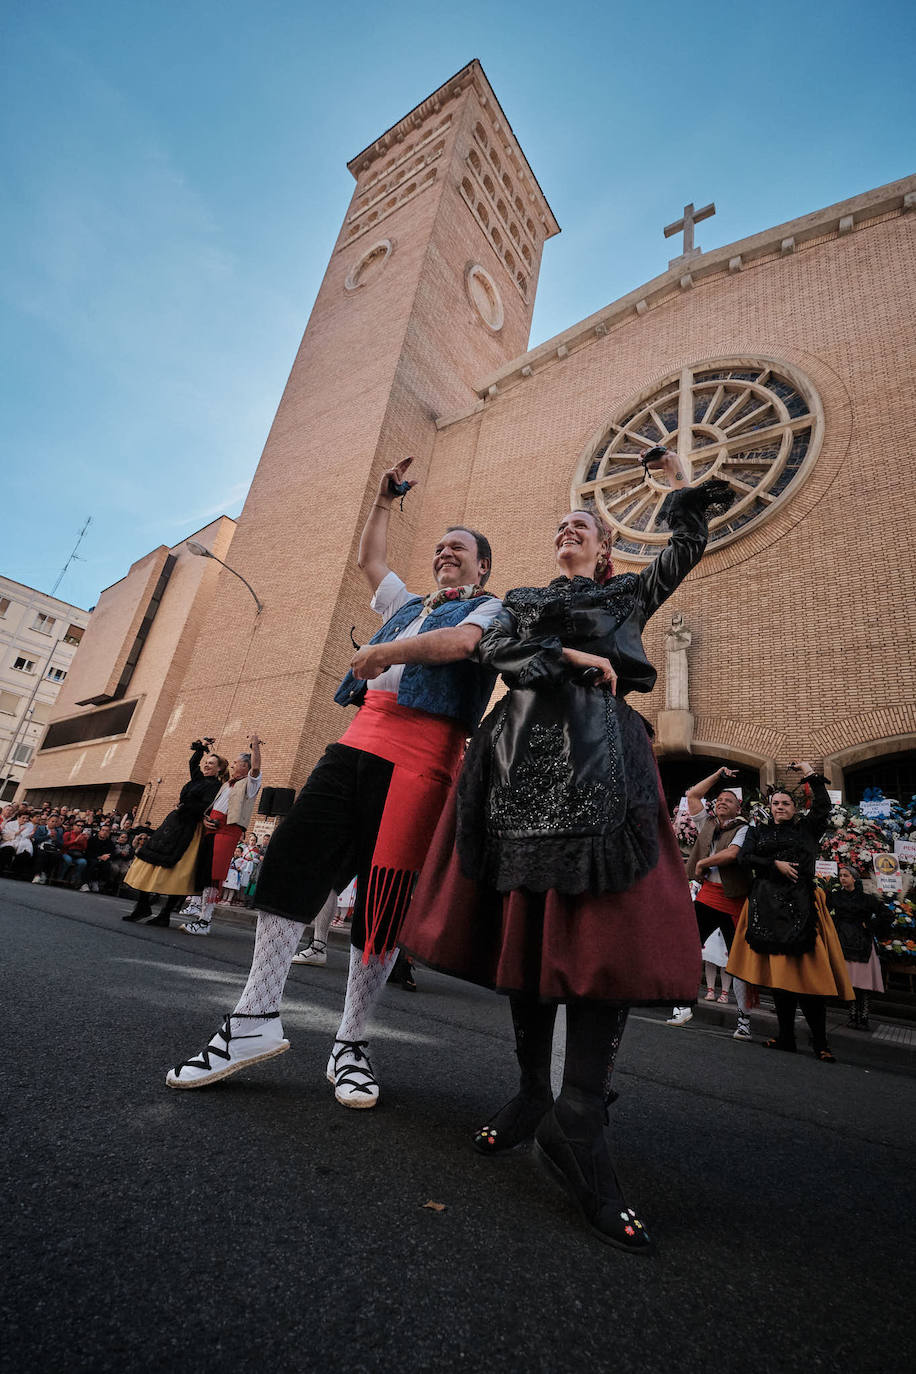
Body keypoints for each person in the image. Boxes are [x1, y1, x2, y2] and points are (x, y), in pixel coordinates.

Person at [401, 451, 733, 1252]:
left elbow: (686, 547)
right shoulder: (521, 598)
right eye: (562, 526)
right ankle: (529, 1092)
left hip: (601, 756)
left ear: (607, 549)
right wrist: (570, 657)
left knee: (605, 929)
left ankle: (578, 1111)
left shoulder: (627, 591)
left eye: (582, 525)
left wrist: (681, 481)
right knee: (531, 923)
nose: (568, 529)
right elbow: (495, 653)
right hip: (518, 757)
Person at [166, 456, 502, 1107]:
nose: (445, 555)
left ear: (482, 565)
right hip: (356, 744)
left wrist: (384, 652)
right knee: (291, 863)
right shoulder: (408, 604)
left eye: (458, 548)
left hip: (422, 762)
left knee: (381, 901)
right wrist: (384, 504)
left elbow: (460, 646)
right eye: (440, 548)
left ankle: (351, 1042)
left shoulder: (492, 609)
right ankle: (254, 1020)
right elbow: (370, 562)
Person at [726, 765, 853, 1061]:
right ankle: (785, 1037)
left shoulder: (806, 828)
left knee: (807, 977)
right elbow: (745, 858)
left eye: (785, 803)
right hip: (767, 905)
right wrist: (774, 865)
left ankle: (821, 1042)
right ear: (769, 808)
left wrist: (810, 773)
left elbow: (823, 805)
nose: (780, 807)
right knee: (780, 976)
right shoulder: (758, 832)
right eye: (776, 804)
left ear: (795, 808)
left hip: (802, 905)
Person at [666, 767, 754, 1040]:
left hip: (733, 900)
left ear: (738, 807)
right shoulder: (708, 824)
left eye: (728, 799)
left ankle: (744, 1020)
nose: (721, 801)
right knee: (686, 947)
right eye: (719, 799)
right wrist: (718, 775)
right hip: (708, 896)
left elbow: (732, 855)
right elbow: (693, 794)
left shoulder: (745, 829)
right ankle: (683, 1005)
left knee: (737, 961)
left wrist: (703, 862)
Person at [122, 741, 228, 925]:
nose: (206, 764)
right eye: (207, 762)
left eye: (211, 763)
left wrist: (184, 807)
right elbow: (193, 764)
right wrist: (201, 748)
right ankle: (143, 905)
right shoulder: (197, 779)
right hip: (173, 824)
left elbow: (203, 806)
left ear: (219, 769)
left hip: (189, 828)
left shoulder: (214, 786)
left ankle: (165, 914)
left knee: (178, 872)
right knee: (148, 863)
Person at [179, 736, 263, 935]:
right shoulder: (226, 785)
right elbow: (215, 806)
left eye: (236, 763)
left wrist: (255, 748)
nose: (233, 765)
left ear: (245, 765)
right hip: (212, 828)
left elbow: (257, 768)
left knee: (215, 875)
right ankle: (198, 910)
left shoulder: (249, 784)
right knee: (205, 872)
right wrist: (205, 819)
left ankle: (205, 921)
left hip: (228, 830)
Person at [829, 863, 891, 1030]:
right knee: (850, 981)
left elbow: (886, 914)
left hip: (862, 943)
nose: (842, 879)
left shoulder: (866, 898)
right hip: (843, 941)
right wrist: (835, 926)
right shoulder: (835, 896)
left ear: (854, 879)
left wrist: (869, 925)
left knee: (862, 983)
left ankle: (863, 1017)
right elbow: (824, 912)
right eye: (841, 875)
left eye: (846, 876)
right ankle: (852, 1015)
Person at [0, 806, 36, 879]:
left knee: (25, 854)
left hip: (23, 843)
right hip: (10, 841)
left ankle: (15, 873)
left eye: (27, 818)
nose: (25, 820)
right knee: (8, 849)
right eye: (23, 818)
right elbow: (5, 834)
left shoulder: (30, 825)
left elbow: (27, 835)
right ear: (18, 817)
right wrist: (16, 833)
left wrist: (23, 835)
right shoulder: (10, 824)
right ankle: (2, 870)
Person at [58, 820, 89, 886]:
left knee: (83, 862)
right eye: (78, 825)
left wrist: (83, 841)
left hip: (77, 855)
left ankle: (73, 879)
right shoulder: (67, 834)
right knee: (68, 860)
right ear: (74, 826)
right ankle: (60, 877)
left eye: (82, 826)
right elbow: (63, 845)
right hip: (66, 852)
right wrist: (75, 841)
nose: (80, 827)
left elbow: (84, 848)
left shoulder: (83, 836)